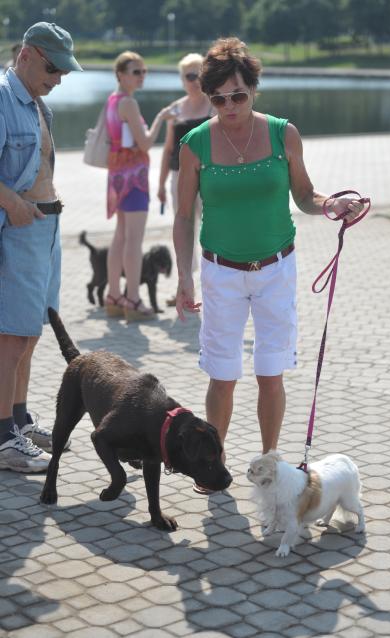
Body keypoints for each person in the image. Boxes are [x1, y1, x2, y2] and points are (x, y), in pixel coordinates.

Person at [173, 38, 365, 493]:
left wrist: (334, 204)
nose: (229, 106)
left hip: (277, 268)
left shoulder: (284, 133)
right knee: (222, 376)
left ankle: (269, 465)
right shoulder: (194, 144)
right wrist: (183, 275)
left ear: (254, 90)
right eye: (218, 99)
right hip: (220, 272)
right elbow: (183, 216)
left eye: (238, 95)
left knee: (270, 372)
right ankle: (214, 466)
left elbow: (305, 195)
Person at [0, 22, 82, 472]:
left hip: (46, 230)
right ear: (28, 55)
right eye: (52, 68)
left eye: (64, 72)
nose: (58, 79)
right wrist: (12, 202)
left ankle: (17, 420)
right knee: (12, 337)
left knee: (29, 335)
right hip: (20, 231)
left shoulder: (35, 102)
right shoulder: (1, 98)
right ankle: (3, 440)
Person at [105, 51, 173, 322]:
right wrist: (161, 118)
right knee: (133, 239)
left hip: (117, 176)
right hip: (134, 179)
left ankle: (113, 295)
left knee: (120, 235)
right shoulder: (129, 103)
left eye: (144, 71)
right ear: (121, 75)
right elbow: (144, 143)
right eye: (136, 71)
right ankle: (132, 298)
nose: (142, 75)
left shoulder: (112, 100)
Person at [157, 53, 213, 306]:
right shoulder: (176, 108)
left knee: (210, 230)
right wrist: (159, 184)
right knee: (183, 229)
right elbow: (168, 149)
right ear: (182, 79)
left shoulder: (214, 106)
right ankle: (183, 286)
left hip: (208, 177)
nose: (194, 80)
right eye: (189, 76)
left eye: (199, 75)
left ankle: (213, 286)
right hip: (179, 177)